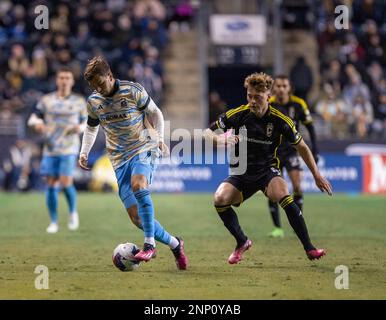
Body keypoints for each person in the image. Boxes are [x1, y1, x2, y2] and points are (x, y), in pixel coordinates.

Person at [204, 72, 332, 265]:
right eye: (249, 96)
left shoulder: (280, 120)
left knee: (283, 192)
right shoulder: (238, 114)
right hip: (241, 173)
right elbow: (207, 131)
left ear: (267, 96)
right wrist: (219, 139)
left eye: (257, 97)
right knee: (219, 199)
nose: (253, 101)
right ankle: (242, 241)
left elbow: (302, 147)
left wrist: (316, 175)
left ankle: (310, 248)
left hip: (267, 171)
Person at [79, 56, 188, 269]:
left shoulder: (133, 91)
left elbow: (155, 113)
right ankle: (176, 244)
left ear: (109, 76)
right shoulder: (94, 102)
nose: (98, 89)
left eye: (100, 84)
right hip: (118, 160)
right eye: (94, 86)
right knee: (137, 219)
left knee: (139, 185)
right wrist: (84, 152)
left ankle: (149, 245)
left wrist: (159, 139)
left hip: (142, 147)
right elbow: (91, 127)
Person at [28, 67, 87, 233]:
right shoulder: (46, 100)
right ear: (57, 80)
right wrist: (37, 124)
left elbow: (86, 123)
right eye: (61, 77)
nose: (64, 81)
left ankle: (73, 213)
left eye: (67, 78)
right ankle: (53, 221)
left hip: (69, 147)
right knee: (51, 184)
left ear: (72, 81)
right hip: (50, 147)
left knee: (65, 181)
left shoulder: (79, 101)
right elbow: (34, 117)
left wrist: (79, 128)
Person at [266, 75, 319, 238]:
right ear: (274, 88)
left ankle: (297, 223)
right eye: (278, 86)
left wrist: (314, 149)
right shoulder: (269, 104)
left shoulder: (298, 104)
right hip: (272, 152)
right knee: (272, 191)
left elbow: (309, 127)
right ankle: (277, 228)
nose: (281, 89)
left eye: (284, 86)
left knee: (297, 186)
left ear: (290, 88)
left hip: (291, 151)